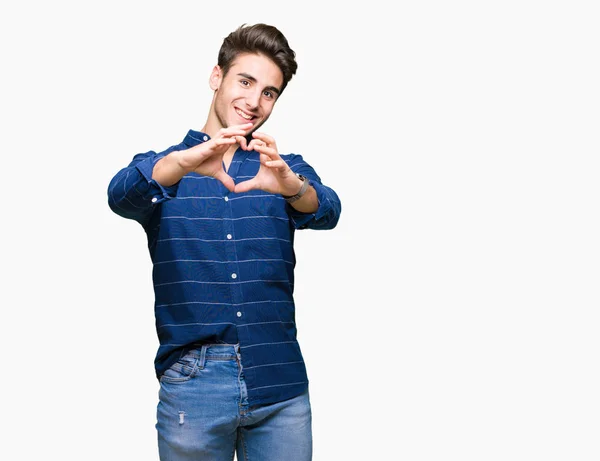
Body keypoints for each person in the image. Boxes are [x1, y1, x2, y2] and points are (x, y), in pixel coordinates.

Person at [107, 23, 341, 460]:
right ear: (217, 77)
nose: (254, 102)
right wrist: (182, 162)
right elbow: (120, 195)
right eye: (245, 81)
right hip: (194, 390)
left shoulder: (280, 169)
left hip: (280, 384)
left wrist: (291, 187)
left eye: (269, 92)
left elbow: (327, 209)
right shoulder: (166, 169)